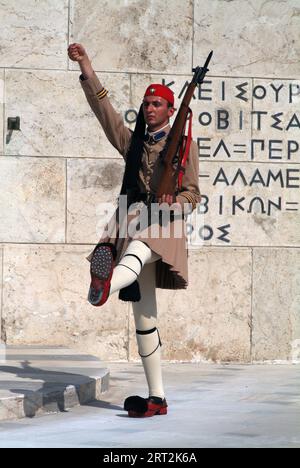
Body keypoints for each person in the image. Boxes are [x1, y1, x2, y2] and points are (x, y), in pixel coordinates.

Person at [68, 43, 201, 418]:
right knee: (144, 317)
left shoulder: (184, 146)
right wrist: (87, 68)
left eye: (157, 104)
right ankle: (157, 397)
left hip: (164, 225)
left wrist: (177, 202)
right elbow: (105, 113)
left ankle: (106, 279)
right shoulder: (134, 142)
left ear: (171, 110)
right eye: (146, 103)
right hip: (132, 217)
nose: (149, 107)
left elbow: (194, 194)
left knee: (138, 249)